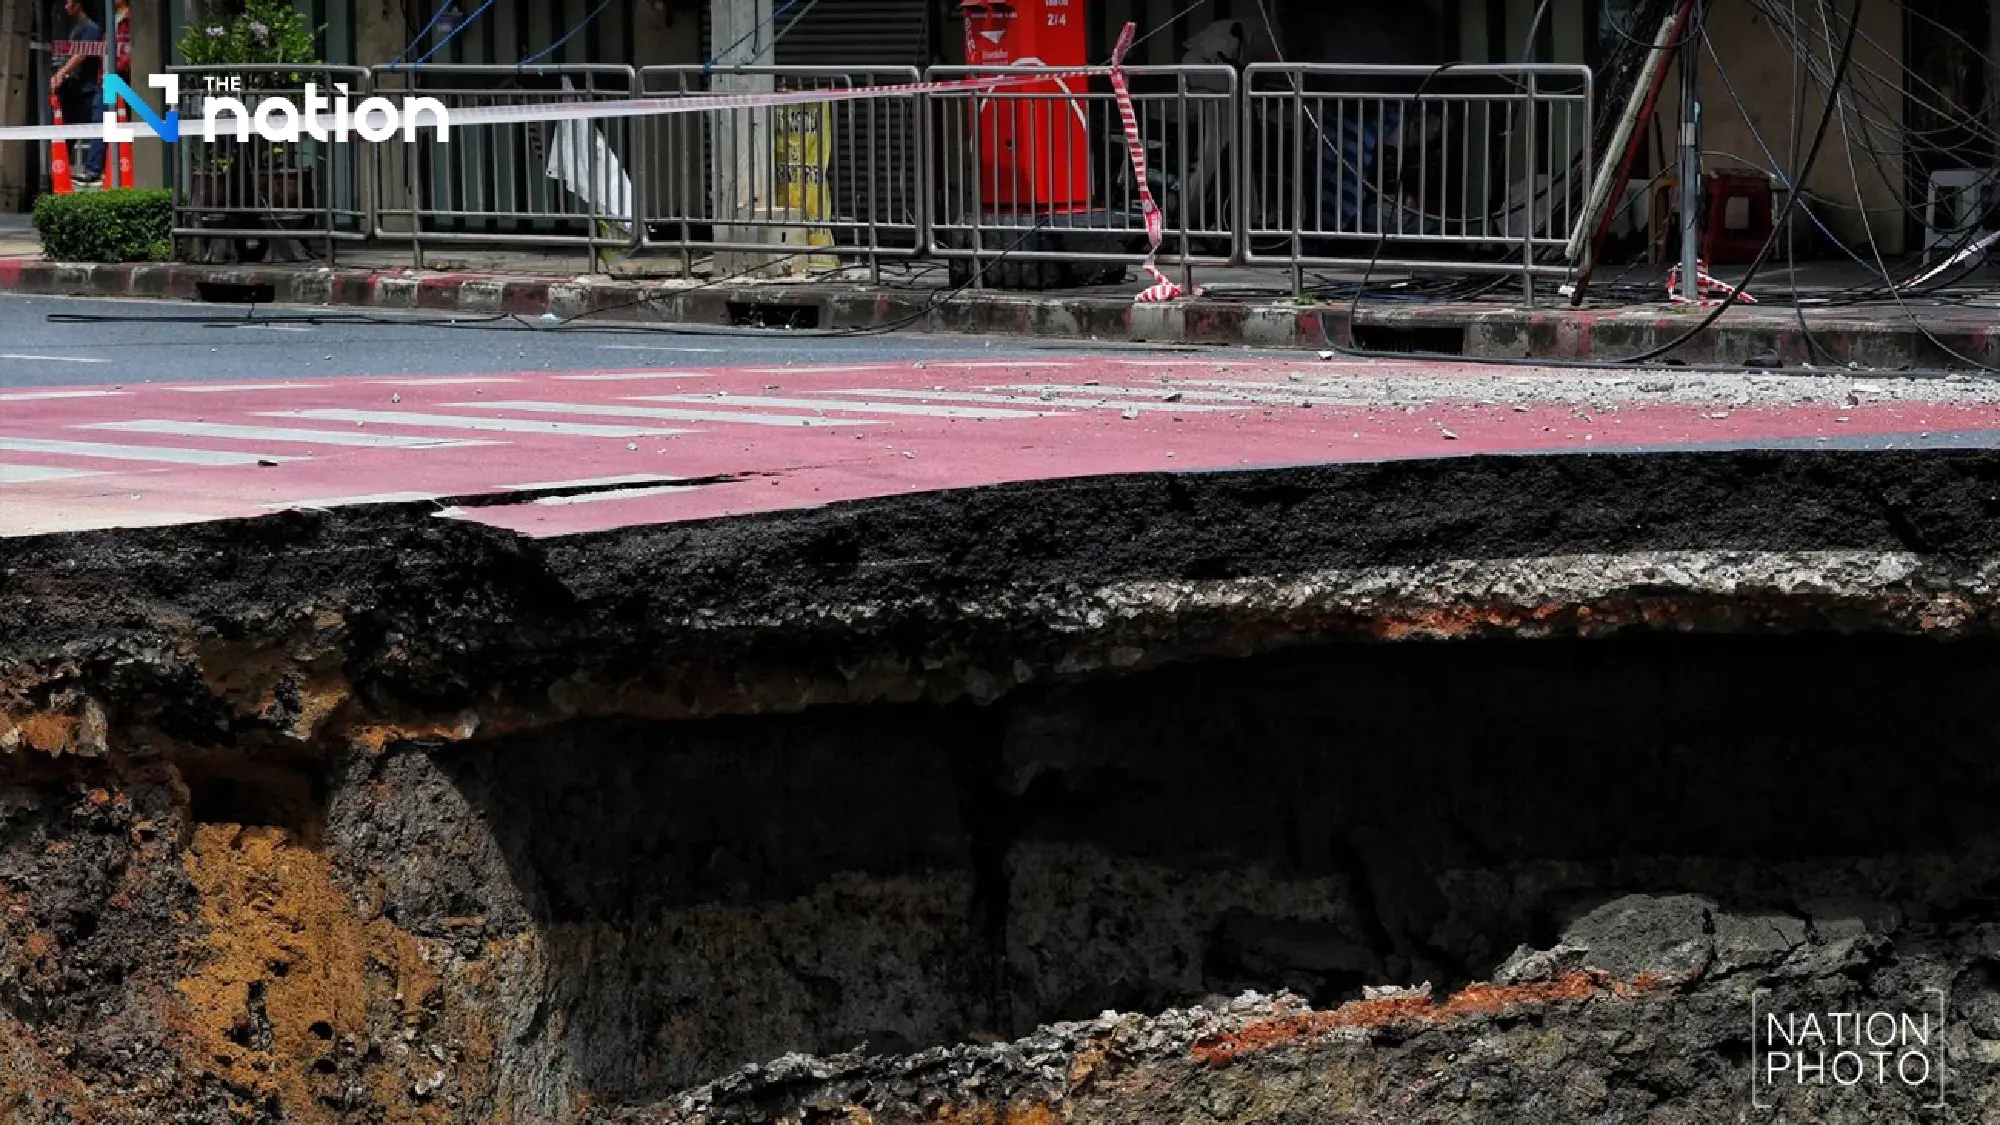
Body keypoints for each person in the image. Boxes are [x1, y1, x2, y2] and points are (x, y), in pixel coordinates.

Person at [51, 0, 106, 185]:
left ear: (78, 4)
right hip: (76, 88)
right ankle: (61, 170)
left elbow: (81, 54)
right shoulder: (77, 28)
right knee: (69, 128)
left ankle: (93, 170)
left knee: (98, 126)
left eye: (68, 3)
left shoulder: (91, 28)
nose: (65, 7)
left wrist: (61, 73)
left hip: (91, 88)